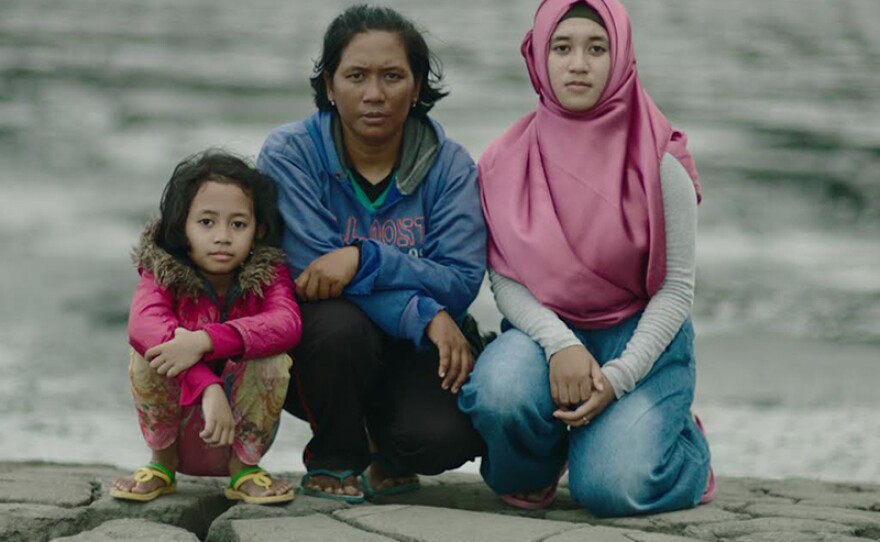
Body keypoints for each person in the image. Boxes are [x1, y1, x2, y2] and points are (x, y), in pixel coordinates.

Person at [458, 0, 714, 517]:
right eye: (562, 47)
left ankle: (687, 450)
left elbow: (677, 289)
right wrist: (560, 346)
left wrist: (618, 376)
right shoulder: (504, 161)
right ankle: (544, 460)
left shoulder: (661, 160)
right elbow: (504, 278)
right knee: (498, 393)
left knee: (612, 489)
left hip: (641, 338)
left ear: (621, 58)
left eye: (597, 48)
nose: (579, 63)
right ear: (538, 57)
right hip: (544, 335)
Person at [257, 4, 486, 503]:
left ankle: (386, 444)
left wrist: (365, 259)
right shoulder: (290, 154)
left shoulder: (450, 165)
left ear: (419, 84)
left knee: (442, 438)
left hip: (415, 351)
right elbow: (313, 273)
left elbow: (462, 279)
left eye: (393, 76)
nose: (374, 94)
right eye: (356, 76)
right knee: (339, 325)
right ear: (330, 84)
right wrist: (422, 312)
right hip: (323, 345)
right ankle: (336, 455)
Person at [111, 150, 301, 505]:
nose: (223, 237)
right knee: (147, 353)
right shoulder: (162, 270)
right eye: (207, 222)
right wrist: (206, 385)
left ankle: (244, 470)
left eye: (238, 224)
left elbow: (286, 323)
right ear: (182, 225)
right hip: (181, 429)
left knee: (273, 358)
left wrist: (203, 341)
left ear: (258, 231)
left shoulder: (270, 273)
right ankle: (161, 466)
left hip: (240, 432)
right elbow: (143, 325)